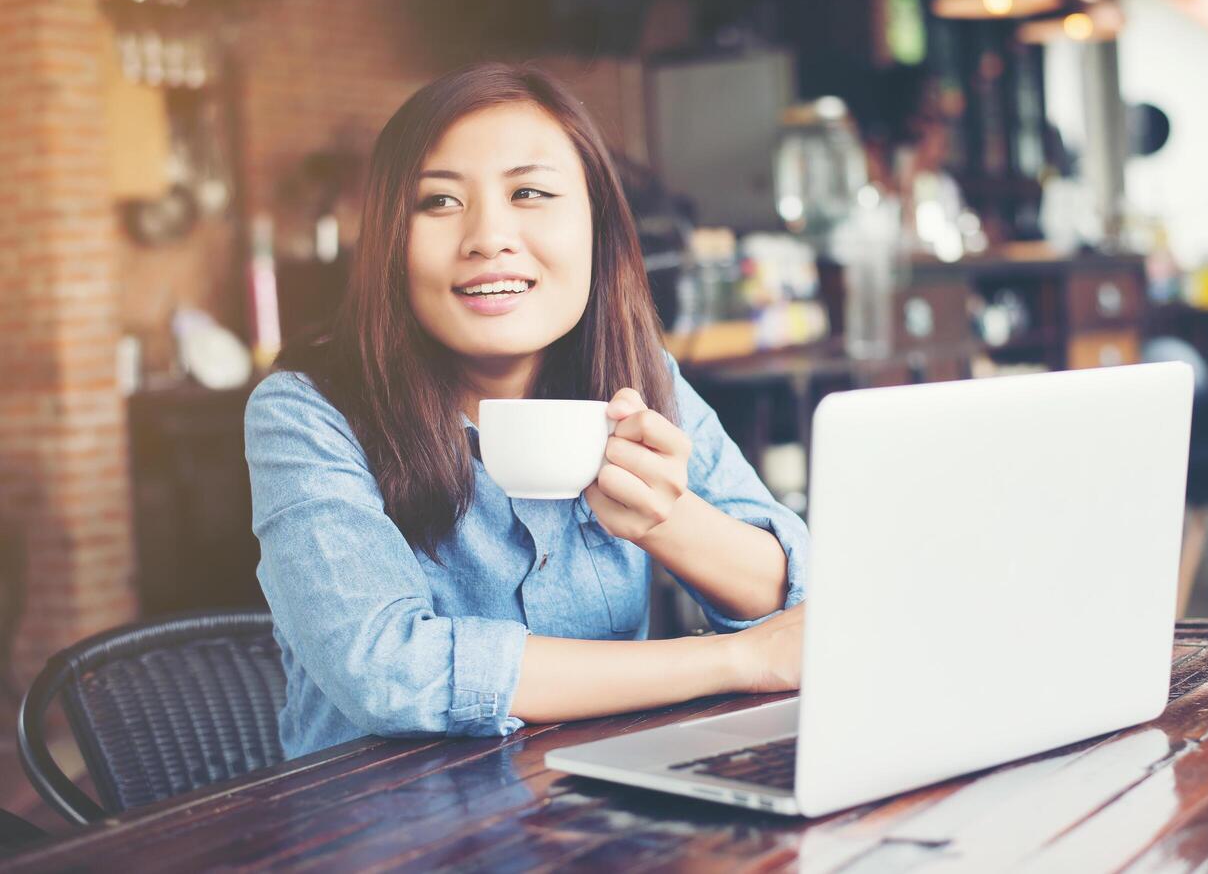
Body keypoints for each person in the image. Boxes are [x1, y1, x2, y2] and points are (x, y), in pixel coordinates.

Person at [244, 63, 808, 759]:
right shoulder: (307, 412)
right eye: (440, 203)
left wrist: (667, 518)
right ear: (389, 242)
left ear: (597, 227)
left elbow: (797, 607)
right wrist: (733, 662)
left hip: (603, 801)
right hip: (381, 830)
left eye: (531, 193)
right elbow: (387, 670)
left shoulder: (637, 380)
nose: (488, 236)